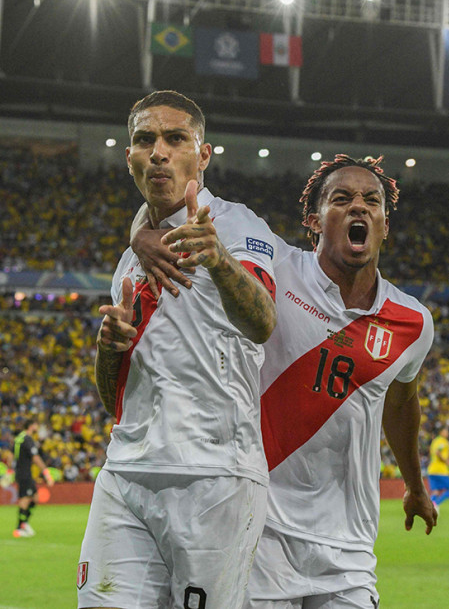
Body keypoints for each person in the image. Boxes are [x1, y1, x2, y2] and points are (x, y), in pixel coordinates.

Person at [133, 154, 437, 608]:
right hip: (257, 531)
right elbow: (174, 206)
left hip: (348, 547)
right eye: (342, 199)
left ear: (385, 224)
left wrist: (415, 485)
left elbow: (401, 402)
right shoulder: (274, 263)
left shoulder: (413, 321)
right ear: (313, 220)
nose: (359, 207)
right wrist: (139, 234)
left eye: (372, 201)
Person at [78, 90, 278, 609]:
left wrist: (218, 259)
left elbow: (263, 323)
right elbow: (111, 399)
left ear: (203, 154)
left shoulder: (238, 225)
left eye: (175, 138)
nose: (159, 152)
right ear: (130, 158)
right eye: (145, 140)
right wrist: (109, 348)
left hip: (215, 476)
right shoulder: (130, 260)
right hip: (126, 473)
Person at [13, 419, 54, 538]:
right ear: (32, 426)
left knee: (35, 498)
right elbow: (35, 458)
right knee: (25, 499)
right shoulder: (27, 439)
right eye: (36, 425)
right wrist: (46, 473)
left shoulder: (18, 438)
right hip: (24, 473)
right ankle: (20, 527)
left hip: (21, 472)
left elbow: (11, 455)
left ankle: (24, 524)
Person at [428, 426, 449, 506]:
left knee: (436, 491)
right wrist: (447, 461)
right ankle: (435, 504)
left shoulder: (434, 441)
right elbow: (438, 453)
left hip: (432, 469)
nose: (448, 433)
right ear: (441, 432)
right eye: (446, 431)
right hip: (440, 470)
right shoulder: (443, 441)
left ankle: (428, 505)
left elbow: (433, 452)